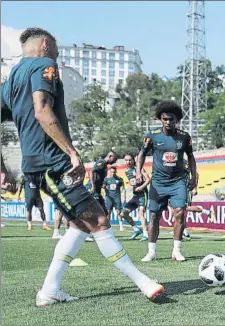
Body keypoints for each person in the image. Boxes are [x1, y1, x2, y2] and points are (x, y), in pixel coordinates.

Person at [1, 27, 164, 306]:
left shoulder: (11, 80)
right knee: (99, 219)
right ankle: (143, 282)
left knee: (79, 224)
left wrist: (3, 168)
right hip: (50, 161)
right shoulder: (45, 64)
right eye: (55, 48)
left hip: (38, 162)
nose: (57, 53)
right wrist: (72, 153)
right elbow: (42, 109)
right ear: (44, 45)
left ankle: (49, 290)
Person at [136, 100, 197, 262]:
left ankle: (176, 250)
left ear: (176, 120)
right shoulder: (152, 135)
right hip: (158, 183)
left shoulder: (184, 137)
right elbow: (141, 154)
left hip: (178, 182)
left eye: (171, 119)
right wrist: (138, 172)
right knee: (154, 216)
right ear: (160, 119)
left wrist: (194, 177)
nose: (168, 122)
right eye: (165, 119)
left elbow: (191, 157)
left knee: (180, 213)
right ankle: (151, 251)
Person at [182, 159, 215, 241]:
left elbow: (196, 174)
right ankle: (185, 233)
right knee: (179, 212)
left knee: (184, 208)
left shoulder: (183, 162)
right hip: (179, 190)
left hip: (186, 190)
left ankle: (208, 212)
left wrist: (194, 188)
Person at [119, 154, 149, 240]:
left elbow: (148, 179)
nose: (128, 162)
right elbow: (133, 182)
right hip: (135, 196)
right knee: (123, 213)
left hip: (143, 194)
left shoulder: (139, 169)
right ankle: (136, 229)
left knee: (141, 214)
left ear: (133, 160)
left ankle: (145, 234)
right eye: (126, 160)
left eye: (129, 160)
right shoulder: (127, 171)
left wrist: (141, 187)